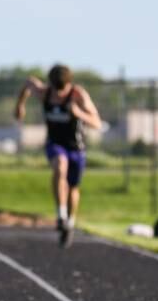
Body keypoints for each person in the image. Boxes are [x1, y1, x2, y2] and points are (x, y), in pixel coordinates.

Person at [14, 64, 101, 247]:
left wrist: (79, 113)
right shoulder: (44, 93)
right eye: (56, 91)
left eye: (63, 91)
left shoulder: (78, 95)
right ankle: (60, 214)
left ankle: (69, 222)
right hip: (55, 144)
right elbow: (29, 82)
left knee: (73, 188)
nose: (59, 95)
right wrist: (20, 105)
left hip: (76, 147)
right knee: (60, 165)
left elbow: (96, 123)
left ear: (70, 85)